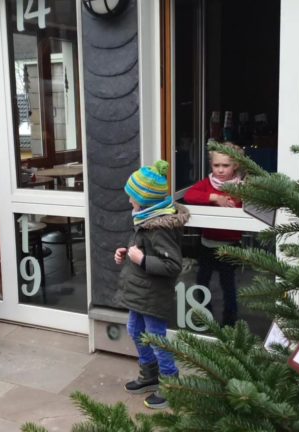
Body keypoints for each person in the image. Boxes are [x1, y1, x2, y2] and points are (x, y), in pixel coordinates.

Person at [115, 160, 190, 409]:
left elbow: (172, 265)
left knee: (156, 338)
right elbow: (140, 248)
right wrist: (126, 253)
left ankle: (171, 384)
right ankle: (149, 375)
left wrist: (143, 259)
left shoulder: (160, 228)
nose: (129, 202)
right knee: (135, 331)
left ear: (144, 200)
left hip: (153, 295)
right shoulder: (145, 219)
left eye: (132, 198)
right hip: (140, 292)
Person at [183, 143, 245, 325]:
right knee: (202, 281)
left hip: (230, 247)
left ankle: (229, 322)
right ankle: (204, 316)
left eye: (225, 166)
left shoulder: (242, 187)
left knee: (228, 286)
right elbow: (190, 196)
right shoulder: (207, 184)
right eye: (216, 165)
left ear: (235, 166)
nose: (220, 170)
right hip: (206, 244)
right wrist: (214, 198)